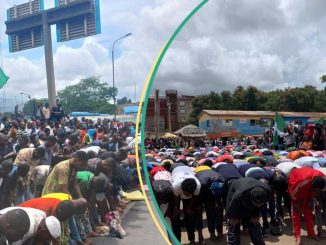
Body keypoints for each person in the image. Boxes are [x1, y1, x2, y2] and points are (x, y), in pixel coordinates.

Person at [226, 177, 271, 245]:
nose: (258, 206)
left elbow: (260, 206)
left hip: (249, 188)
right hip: (236, 190)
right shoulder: (239, 194)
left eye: (260, 204)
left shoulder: (268, 191)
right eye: (256, 204)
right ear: (251, 198)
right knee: (234, 225)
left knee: (254, 224)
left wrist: (255, 215)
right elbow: (231, 206)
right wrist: (233, 217)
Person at [288, 167, 326, 244]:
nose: (318, 192)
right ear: (312, 186)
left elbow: (318, 192)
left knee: (308, 212)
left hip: (309, 189)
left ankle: (311, 234)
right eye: (316, 190)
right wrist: (296, 203)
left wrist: (314, 200)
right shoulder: (301, 181)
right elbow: (292, 192)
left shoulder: (322, 179)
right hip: (296, 186)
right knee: (296, 214)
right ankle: (297, 236)